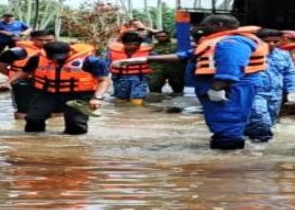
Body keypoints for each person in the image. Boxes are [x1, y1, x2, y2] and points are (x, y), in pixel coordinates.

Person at [112, 15, 268, 150]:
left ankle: (226, 162)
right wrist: (143, 59)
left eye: (205, 24)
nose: (201, 28)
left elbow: (230, 66)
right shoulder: (217, 41)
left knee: (228, 121)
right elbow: (185, 55)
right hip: (221, 87)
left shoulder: (232, 42)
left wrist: (217, 88)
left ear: (218, 26)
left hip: (229, 88)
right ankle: (226, 151)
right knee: (222, 121)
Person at [2, 41, 111, 135]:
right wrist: (8, 82)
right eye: (54, 58)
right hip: (47, 93)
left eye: (62, 57)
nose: (58, 60)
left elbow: (104, 80)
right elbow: (25, 72)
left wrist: (97, 98)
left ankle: (74, 148)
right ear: (47, 54)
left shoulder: (91, 61)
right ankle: (34, 143)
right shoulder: (37, 59)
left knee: (76, 124)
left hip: (79, 95)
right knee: (33, 119)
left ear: (70, 52)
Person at [244, 29, 295, 143]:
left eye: (276, 41)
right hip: (255, 92)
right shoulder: (248, 53)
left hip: (275, 94)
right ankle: (261, 143)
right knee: (260, 119)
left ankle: (251, 142)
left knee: (270, 121)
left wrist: (293, 90)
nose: (272, 44)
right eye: (267, 41)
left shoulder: (283, 55)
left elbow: (289, 73)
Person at [0, 30, 57, 119]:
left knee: (56, 109)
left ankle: (53, 128)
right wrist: (13, 77)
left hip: (51, 83)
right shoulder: (16, 52)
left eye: (48, 40)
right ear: (31, 39)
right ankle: (20, 129)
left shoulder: (60, 51)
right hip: (24, 83)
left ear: (54, 39)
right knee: (24, 109)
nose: (44, 42)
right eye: (40, 40)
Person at [105, 31, 155, 105]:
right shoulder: (111, 52)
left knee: (137, 96)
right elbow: (105, 64)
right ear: (123, 43)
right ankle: (122, 113)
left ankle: (137, 113)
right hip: (119, 76)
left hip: (140, 77)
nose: (132, 46)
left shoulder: (149, 52)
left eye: (136, 44)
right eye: (129, 44)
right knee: (121, 97)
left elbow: (156, 62)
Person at [149, 30, 186, 96]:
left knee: (177, 84)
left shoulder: (177, 43)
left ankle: (177, 97)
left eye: (163, 36)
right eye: (158, 36)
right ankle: (156, 97)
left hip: (175, 67)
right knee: (154, 84)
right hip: (158, 68)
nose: (161, 38)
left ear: (168, 36)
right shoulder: (152, 46)